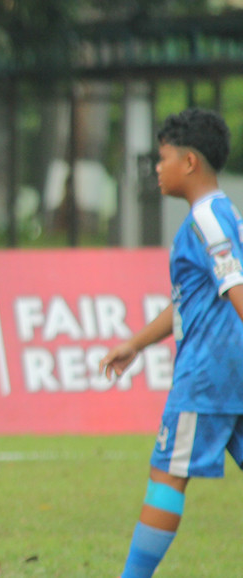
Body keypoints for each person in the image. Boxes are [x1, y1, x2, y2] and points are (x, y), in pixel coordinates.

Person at [100, 108, 243, 577]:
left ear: (189, 162)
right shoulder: (224, 216)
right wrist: (136, 344)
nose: (156, 169)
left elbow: (236, 288)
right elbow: (191, 300)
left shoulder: (207, 221)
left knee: (167, 476)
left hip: (207, 377)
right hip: (232, 374)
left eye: (161, 159)